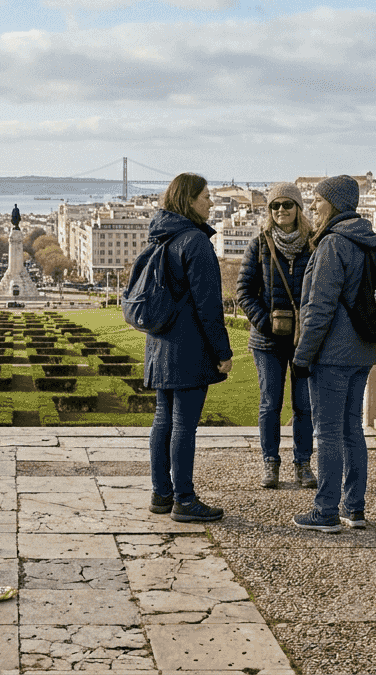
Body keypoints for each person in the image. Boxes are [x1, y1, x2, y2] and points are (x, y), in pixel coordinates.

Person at [291, 175, 376, 533]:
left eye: (318, 200)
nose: (313, 207)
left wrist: (302, 355)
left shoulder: (332, 244)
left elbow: (319, 309)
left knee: (327, 432)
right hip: (361, 350)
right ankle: (353, 508)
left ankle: (326, 510)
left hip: (331, 353)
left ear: (336, 204)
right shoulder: (367, 240)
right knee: (351, 429)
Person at [143, 173, 234, 523]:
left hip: (160, 345)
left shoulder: (160, 236)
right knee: (183, 425)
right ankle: (184, 498)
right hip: (188, 348)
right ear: (189, 201)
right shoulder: (195, 241)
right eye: (206, 196)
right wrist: (223, 352)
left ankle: (161, 493)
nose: (212, 202)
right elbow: (209, 307)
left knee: (163, 421)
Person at [237, 181, 315, 490]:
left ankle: (303, 464)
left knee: (304, 405)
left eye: (287, 204)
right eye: (275, 206)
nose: (281, 210)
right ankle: (270, 464)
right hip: (267, 340)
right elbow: (244, 291)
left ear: (299, 208)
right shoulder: (259, 244)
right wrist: (264, 321)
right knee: (270, 403)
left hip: (304, 339)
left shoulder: (314, 243)